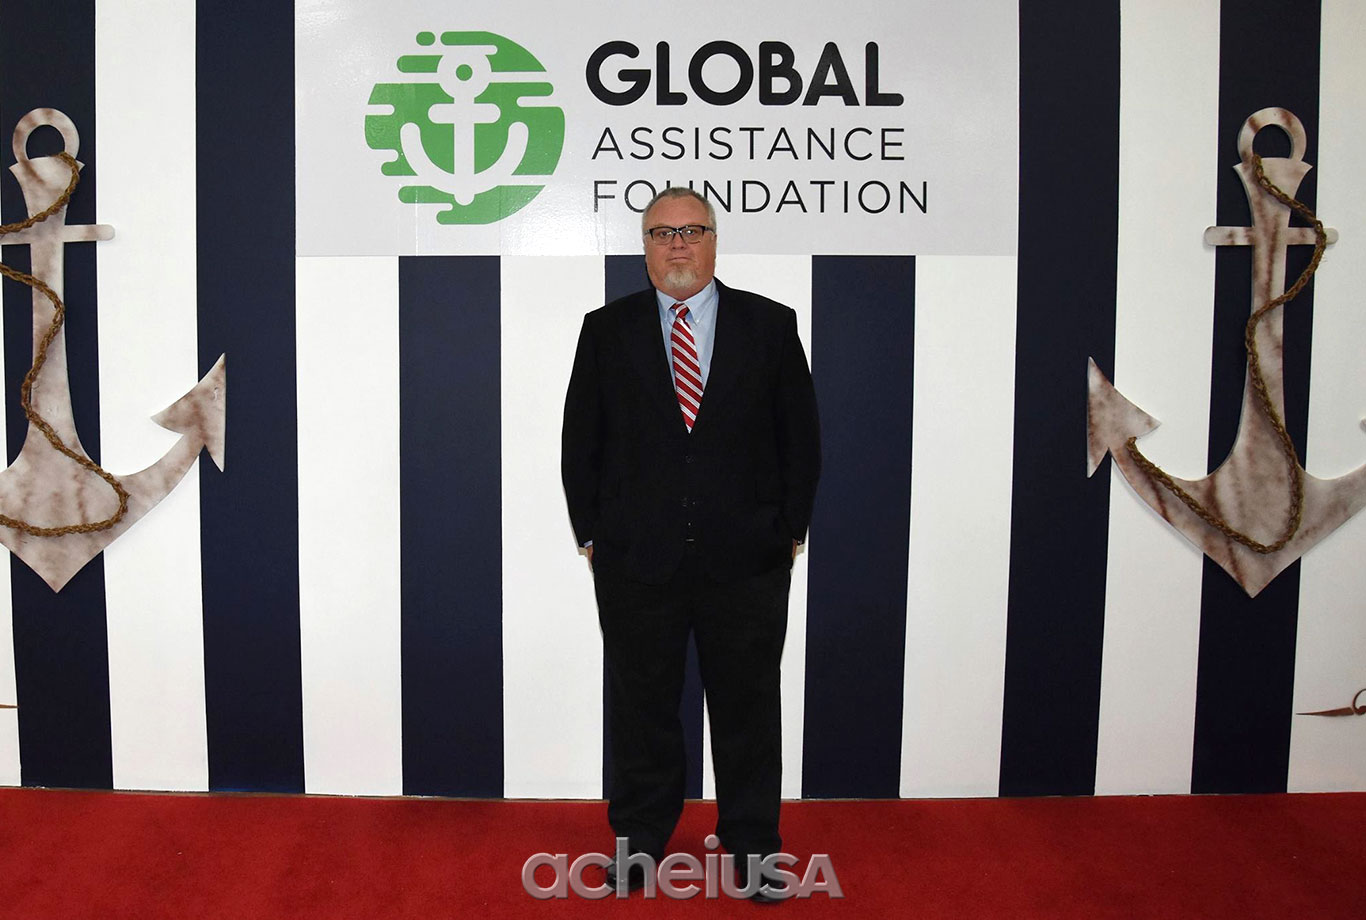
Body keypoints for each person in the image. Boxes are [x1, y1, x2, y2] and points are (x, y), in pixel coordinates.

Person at [561, 186, 821, 899]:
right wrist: (593, 533)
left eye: (692, 230)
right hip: (636, 562)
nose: (677, 244)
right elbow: (581, 439)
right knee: (641, 710)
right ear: (645, 246)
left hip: (747, 562)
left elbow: (801, 439)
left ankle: (753, 849)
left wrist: (788, 530)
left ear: (713, 240)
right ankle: (640, 842)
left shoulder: (770, 326)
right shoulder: (605, 331)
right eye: (662, 233)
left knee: (747, 711)